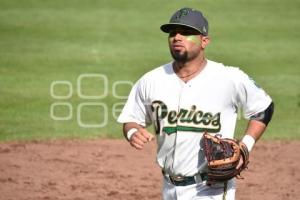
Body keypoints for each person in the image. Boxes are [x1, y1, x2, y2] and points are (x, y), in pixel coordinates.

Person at [117, 7, 274, 200]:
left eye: (187, 32)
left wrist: (245, 146)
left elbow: (263, 107)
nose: (177, 37)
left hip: (211, 189)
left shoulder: (229, 78)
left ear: (204, 41)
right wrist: (133, 132)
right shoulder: (151, 80)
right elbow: (131, 119)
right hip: (169, 187)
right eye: (173, 33)